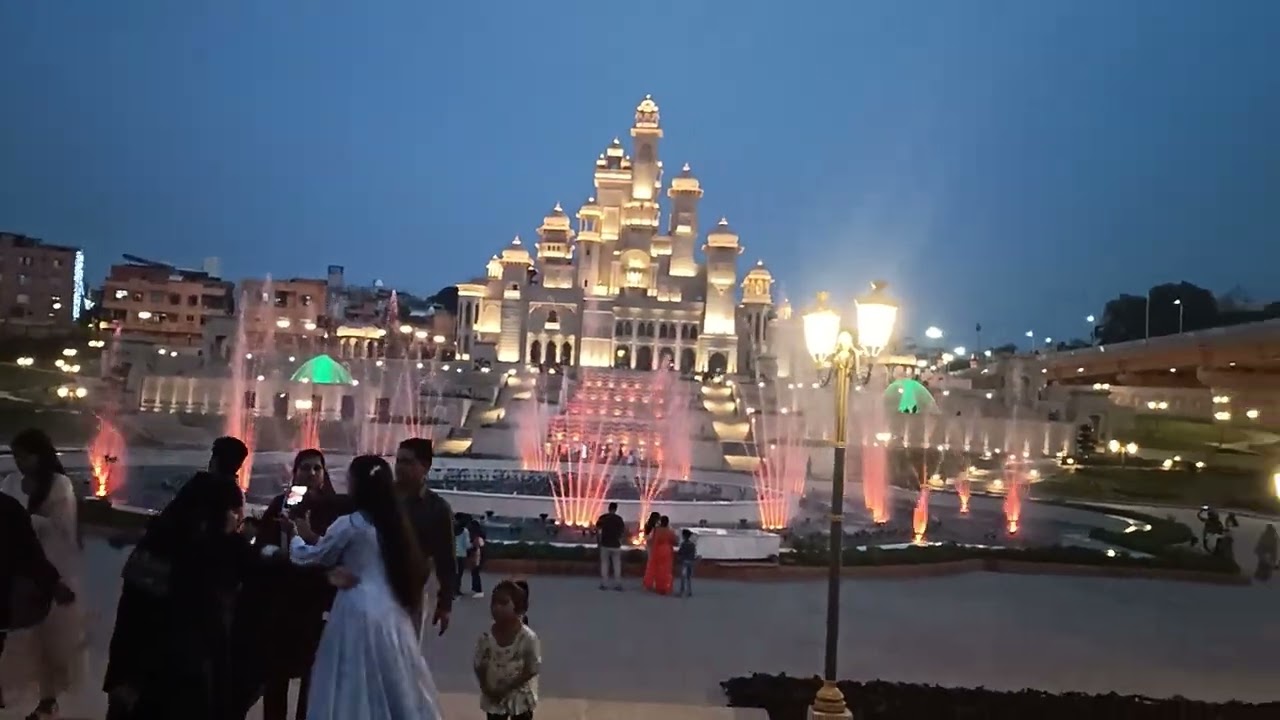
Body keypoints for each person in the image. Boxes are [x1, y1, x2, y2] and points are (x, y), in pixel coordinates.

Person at [280, 455, 441, 720]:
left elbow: (312, 556)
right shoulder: (395, 525)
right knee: (395, 682)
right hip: (390, 613)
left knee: (351, 682)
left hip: (355, 610)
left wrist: (296, 535)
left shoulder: (351, 524)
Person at [103, 470, 250, 720]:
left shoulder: (166, 544)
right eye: (234, 511)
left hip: (157, 676)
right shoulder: (193, 554)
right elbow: (137, 618)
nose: (238, 519)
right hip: (170, 678)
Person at [230, 449, 350, 720]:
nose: (311, 473)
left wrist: (309, 541)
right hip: (282, 600)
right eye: (305, 468)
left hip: (318, 601)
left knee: (314, 675)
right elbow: (264, 543)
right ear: (294, 472)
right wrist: (278, 554)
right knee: (277, 673)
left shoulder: (334, 508)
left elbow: (338, 551)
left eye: (317, 468)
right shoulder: (281, 504)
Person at [0, 428, 86, 720]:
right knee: (17, 637)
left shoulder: (59, 486)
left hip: (51, 565)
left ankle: (48, 700)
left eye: (24, 456)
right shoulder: (11, 482)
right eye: (16, 456)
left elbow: (63, 529)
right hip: (16, 568)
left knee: (50, 640)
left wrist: (24, 521)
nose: (20, 462)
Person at [0, 493, 76, 712]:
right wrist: (53, 583)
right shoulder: (8, 507)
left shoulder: (8, 508)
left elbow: (29, 553)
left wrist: (53, 582)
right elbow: (30, 553)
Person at [395, 438, 456, 635]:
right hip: (375, 590)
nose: (400, 467)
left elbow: (446, 560)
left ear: (425, 466)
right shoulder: (382, 499)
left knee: (406, 657)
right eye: (398, 461)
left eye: (408, 462)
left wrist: (445, 604)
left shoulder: (437, 509)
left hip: (411, 594)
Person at [473, 579, 541, 720]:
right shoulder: (486, 637)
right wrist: (486, 688)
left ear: (518, 608)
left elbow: (532, 668)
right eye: (494, 603)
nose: (497, 607)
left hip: (520, 699)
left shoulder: (528, 638)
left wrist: (507, 687)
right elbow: (479, 664)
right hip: (493, 698)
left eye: (503, 603)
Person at [642, 516, 678, 596]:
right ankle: (664, 587)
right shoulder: (670, 531)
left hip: (657, 550)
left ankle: (649, 584)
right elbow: (675, 541)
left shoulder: (656, 530)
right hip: (667, 551)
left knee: (653, 568)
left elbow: (650, 539)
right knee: (666, 570)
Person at [594, 503, 626, 591]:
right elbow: (623, 532)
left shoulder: (603, 518)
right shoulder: (619, 519)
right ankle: (618, 584)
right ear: (616, 509)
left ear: (608, 508)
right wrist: (621, 541)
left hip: (605, 544)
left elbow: (597, 530)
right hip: (616, 545)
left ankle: (604, 584)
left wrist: (598, 541)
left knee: (604, 564)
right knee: (617, 565)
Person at [454, 513, 474, 598]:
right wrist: (472, 546)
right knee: (459, 573)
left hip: (452, 554)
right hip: (461, 555)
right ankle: (456, 590)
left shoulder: (451, 529)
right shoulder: (465, 531)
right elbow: (467, 544)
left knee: (451, 573)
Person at [467, 517, 487, 598]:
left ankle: (478, 590)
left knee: (475, 573)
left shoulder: (477, 538)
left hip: (477, 557)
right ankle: (476, 589)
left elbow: (478, 549)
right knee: (474, 573)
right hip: (478, 557)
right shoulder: (480, 536)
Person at [675, 529, 698, 598]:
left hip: (684, 562)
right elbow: (694, 554)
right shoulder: (693, 545)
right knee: (689, 577)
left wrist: (679, 559)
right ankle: (689, 591)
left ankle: (682, 591)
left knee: (683, 577)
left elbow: (680, 553)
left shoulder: (683, 544)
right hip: (691, 562)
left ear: (684, 536)